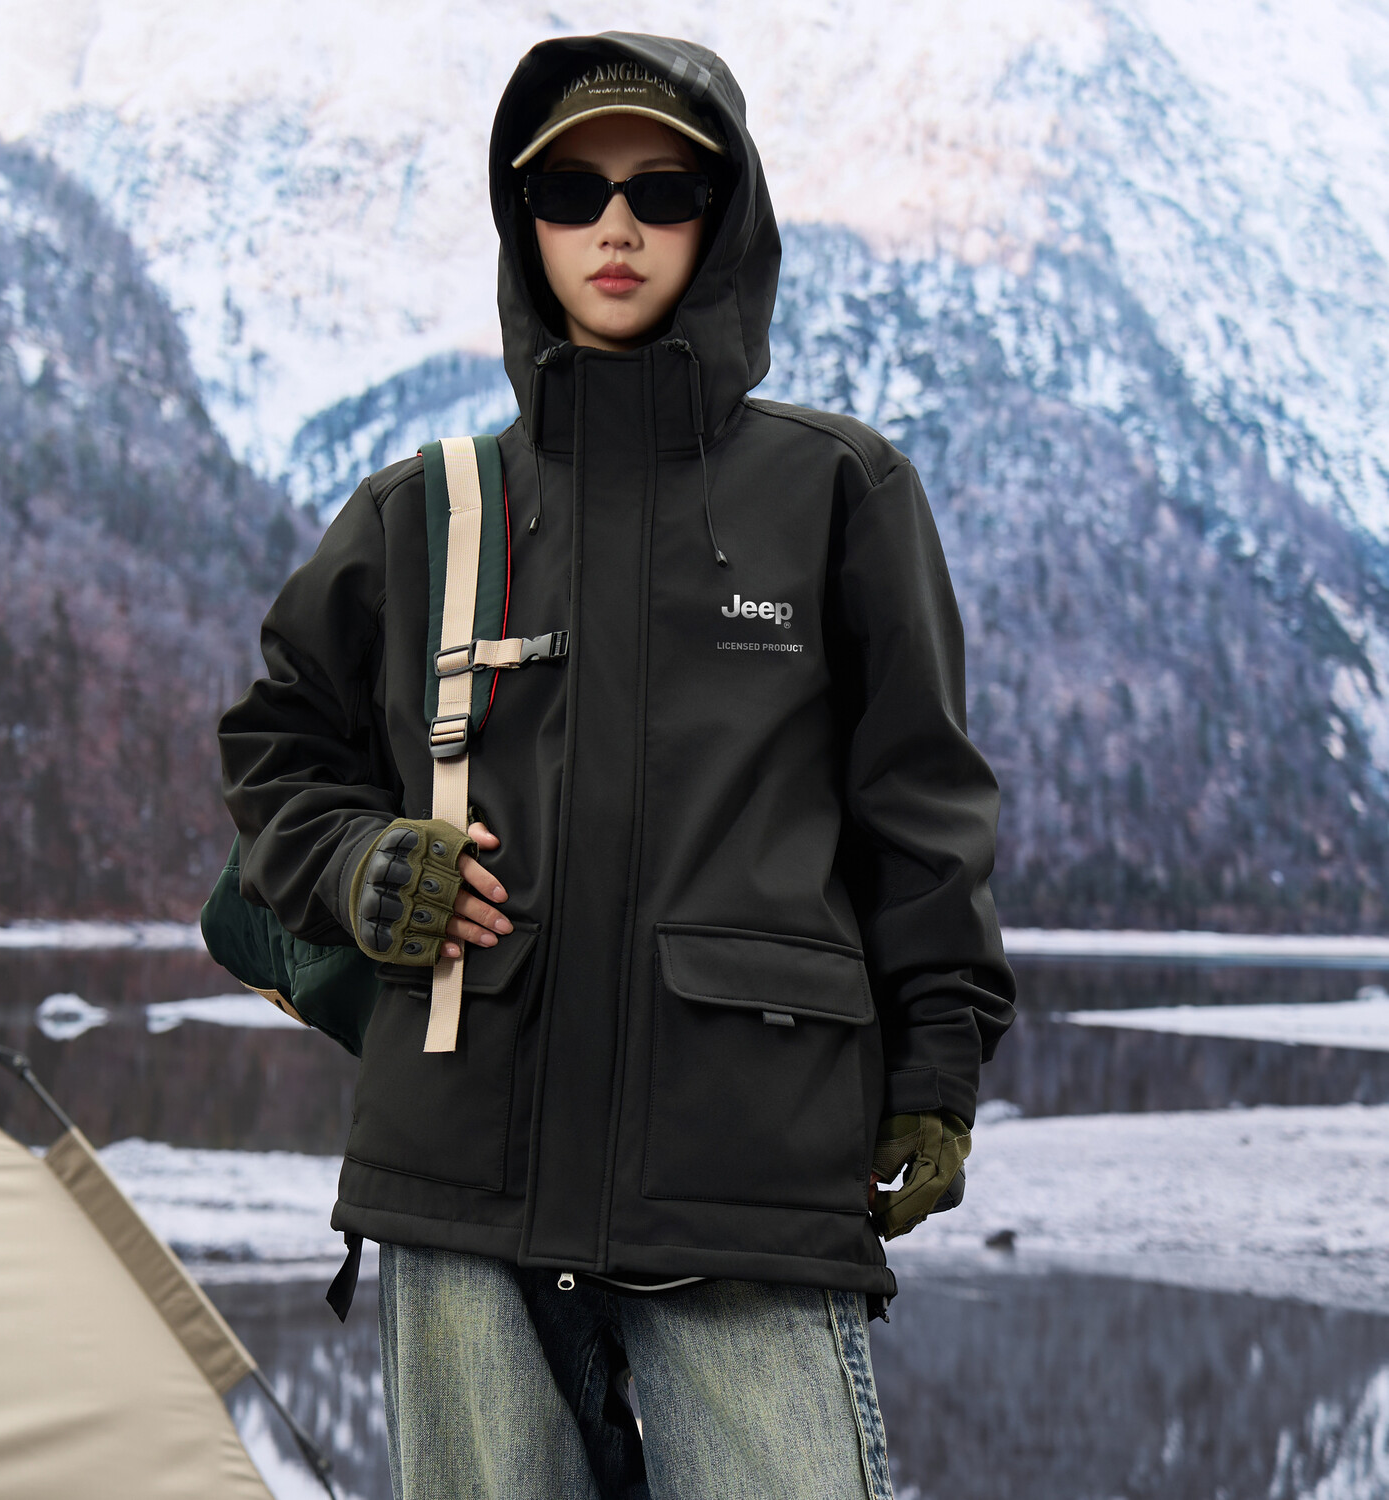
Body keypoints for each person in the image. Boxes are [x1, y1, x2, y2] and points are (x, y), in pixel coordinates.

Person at [218, 30, 1016, 1500]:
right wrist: (356, 863)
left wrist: (939, 1070)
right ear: (525, 223)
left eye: (664, 190)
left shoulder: (840, 491)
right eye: (572, 192)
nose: (617, 226)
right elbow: (277, 747)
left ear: (728, 217)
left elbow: (921, 811)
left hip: (748, 1167)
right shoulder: (423, 512)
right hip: (459, 1166)